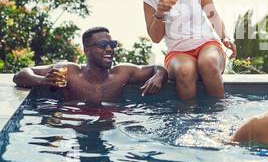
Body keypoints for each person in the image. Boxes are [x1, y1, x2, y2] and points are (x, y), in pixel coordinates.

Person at [143, 0, 237, 100]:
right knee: (185, 72)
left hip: (207, 44)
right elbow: (156, 38)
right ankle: (188, 122)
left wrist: (225, 37)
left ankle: (219, 117)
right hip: (178, 52)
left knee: (208, 63)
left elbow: (212, 14)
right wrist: (159, 13)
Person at [13, 27, 168, 103]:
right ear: (87, 50)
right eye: (102, 45)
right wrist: (42, 81)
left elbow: (157, 68)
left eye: (111, 44)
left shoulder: (122, 73)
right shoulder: (69, 71)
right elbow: (20, 75)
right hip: (74, 120)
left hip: (111, 123)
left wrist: (159, 76)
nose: (109, 49)